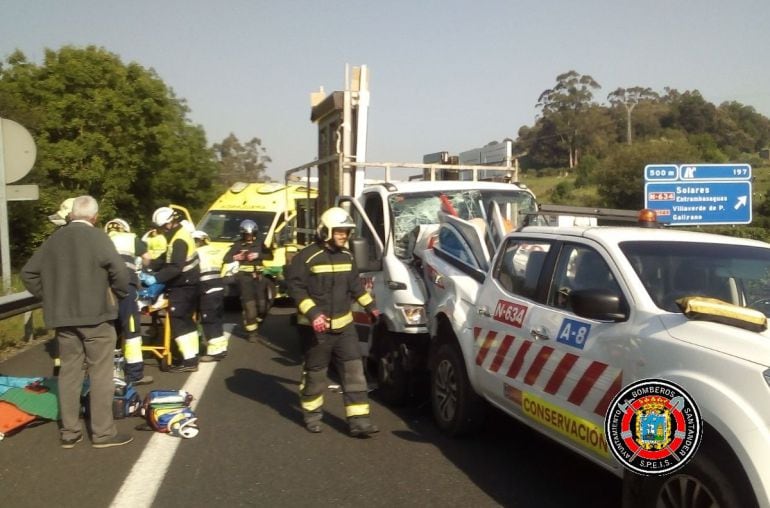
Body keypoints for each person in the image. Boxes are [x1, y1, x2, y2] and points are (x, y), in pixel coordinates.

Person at [21, 195, 134, 448]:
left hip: (63, 319)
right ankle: (103, 434)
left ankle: (70, 432)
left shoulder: (54, 240)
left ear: (71, 215)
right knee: (100, 373)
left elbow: (28, 273)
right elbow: (120, 272)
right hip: (97, 317)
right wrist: (120, 293)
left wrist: (49, 296)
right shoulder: (99, 238)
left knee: (69, 373)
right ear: (95, 217)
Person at [287, 206, 381, 437]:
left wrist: (371, 307)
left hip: (344, 328)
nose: (344, 236)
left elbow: (355, 286)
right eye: (339, 231)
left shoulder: (348, 256)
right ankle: (312, 415)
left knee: (354, 373)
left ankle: (359, 422)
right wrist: (313, 314)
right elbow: (295, 288)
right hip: (316, 330)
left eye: (346, 232)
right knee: (316, 374)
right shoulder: (307, 256)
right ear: (325, 231)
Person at [145, 206, 200, 372]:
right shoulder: (177, 236)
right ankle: (192, 358)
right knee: (186, 321)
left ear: (169, 224)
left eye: (161, 228)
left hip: (184, 285)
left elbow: (175, 267)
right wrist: (149, 265)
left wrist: (155, 278)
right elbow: (165, 259)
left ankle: (189, 361)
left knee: (178, 320)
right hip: (189, 284)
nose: (160, 231)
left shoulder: (179, 240)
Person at [104, 218, 153, 385]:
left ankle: (108, 370)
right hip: (127, 286)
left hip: (106, 289)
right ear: (125, 228)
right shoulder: (131, 238)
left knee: (109, 326)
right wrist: (143, 270)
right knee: (131, 328)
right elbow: (147, 258)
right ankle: (134, 373)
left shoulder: (102, 239)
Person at [222, 220, 273, 343]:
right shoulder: (238, 244)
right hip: (244, 278)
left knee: (263, 306)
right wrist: (236, 257)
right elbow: (226, 258)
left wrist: (258, 255)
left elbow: (270, 256)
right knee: (250, 306)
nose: (248, 237)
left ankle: (256, 322)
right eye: (246, 234)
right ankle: (252, 332)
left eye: (250, 234)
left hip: (259, 277)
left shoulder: (260, 243)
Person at [192, 230, 228, 361]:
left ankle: (214, 352)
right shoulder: (215, 249)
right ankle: (221, 348)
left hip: (206, 289)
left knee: (209, 320)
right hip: (218, 286)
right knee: (217, 319)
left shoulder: (196, 253)